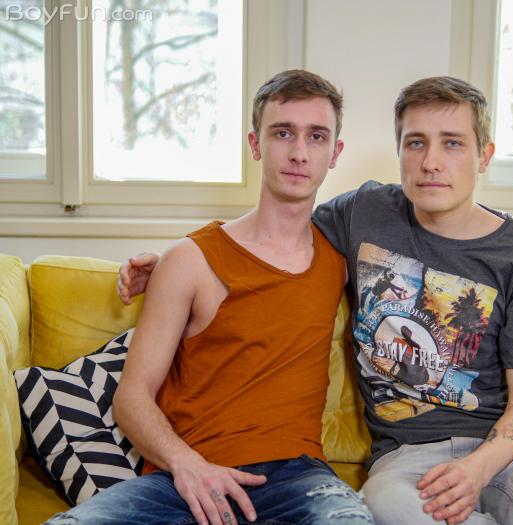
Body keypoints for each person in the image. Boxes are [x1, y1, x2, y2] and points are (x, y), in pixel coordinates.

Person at [119, 75, 513, 525]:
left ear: (483, 155)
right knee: (390, 513)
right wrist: (173, 262)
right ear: (400, 151)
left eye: (452, 143)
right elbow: (275, 225)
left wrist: (478, 470)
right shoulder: (364, 213)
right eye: (416, 143)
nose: (432, 162)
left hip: (510, 449)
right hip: (404, 458)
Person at [46, 70, 374, 525]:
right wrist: (187, 466)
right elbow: (132, 398)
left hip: (298, 478)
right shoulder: (189, 260)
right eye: (282, 133)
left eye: (316, 136)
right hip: (182, 479)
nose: (299, 152)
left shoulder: (340, 257)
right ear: (255, 144)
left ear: (335, 152)